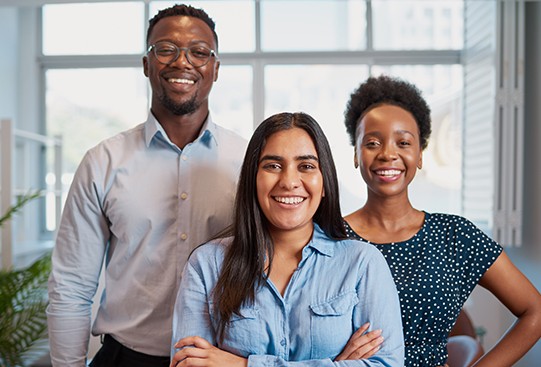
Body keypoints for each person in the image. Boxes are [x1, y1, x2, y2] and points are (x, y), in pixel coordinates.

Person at [46, 4, 247, 367]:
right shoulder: (103, 162)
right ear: (146, 64)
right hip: (126, 358)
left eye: (199, 52)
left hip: (222, 358)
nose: (182, 62)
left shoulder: (248, 161)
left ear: (215, 69)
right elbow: (71, 286)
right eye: (166, 49)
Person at [170, 112, 405, 367]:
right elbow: (189, 363)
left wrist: (241, 364)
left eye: (306, 166)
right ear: (253, 179)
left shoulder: (362, 263)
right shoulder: (206, 265)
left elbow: (387, 364)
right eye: (273, 166)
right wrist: (335, 364)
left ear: (324, 182)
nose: (289, 182)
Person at [341, 75, 541, 367]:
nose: (388, 154)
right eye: (372, 142)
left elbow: (534, 310)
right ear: (357, 154)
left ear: (419, 154)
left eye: (403, 142)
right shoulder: (329, 236)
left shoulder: (454, 235)